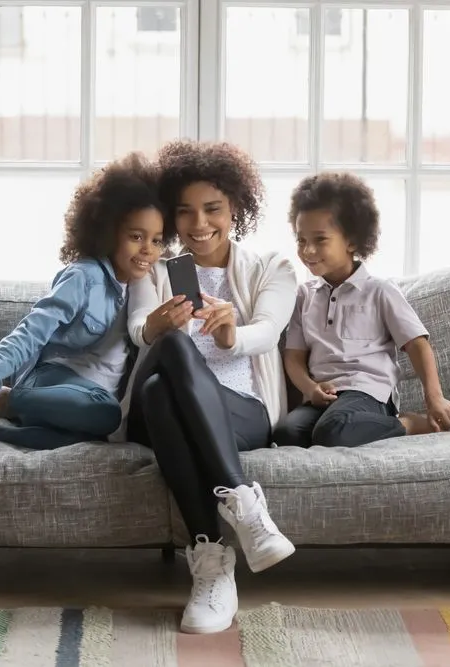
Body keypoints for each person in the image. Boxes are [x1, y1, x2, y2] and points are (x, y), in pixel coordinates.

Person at [122, 140, 297, 635]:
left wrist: (230, 335)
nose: (199, 224)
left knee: (161, 395)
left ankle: (212, 565)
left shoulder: (273, 269)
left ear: (235, 207)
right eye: (185, 212)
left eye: (212, 209)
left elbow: (268, 330)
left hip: (237, 412)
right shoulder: (153, 270)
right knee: (175, 349)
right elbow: (138, 327)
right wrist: (157, 324)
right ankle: (243, 503)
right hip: (147, 417)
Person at [0, 153, 165, 449]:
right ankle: (6, 398)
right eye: (136, 236)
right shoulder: (84, 277)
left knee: (91, 434)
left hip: (88, 403)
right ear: (108, 231)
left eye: (157, 240)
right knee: (105, 413)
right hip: (52, 381)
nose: (148, 250)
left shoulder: (146, 283)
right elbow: (30, 332)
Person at [273, 172, 450, 450]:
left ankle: (406, 424)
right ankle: (337, 424)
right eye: (301, 240)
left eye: (320, 240)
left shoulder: (380, 291)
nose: (308, 250)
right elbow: (294, 357)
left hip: (368, 392)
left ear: (352, 241)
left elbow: (417, 345)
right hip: (323, 395)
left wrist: (434, 397)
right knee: (286, 435)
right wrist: (310, 389)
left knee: (333, 431)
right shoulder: (304, 295)